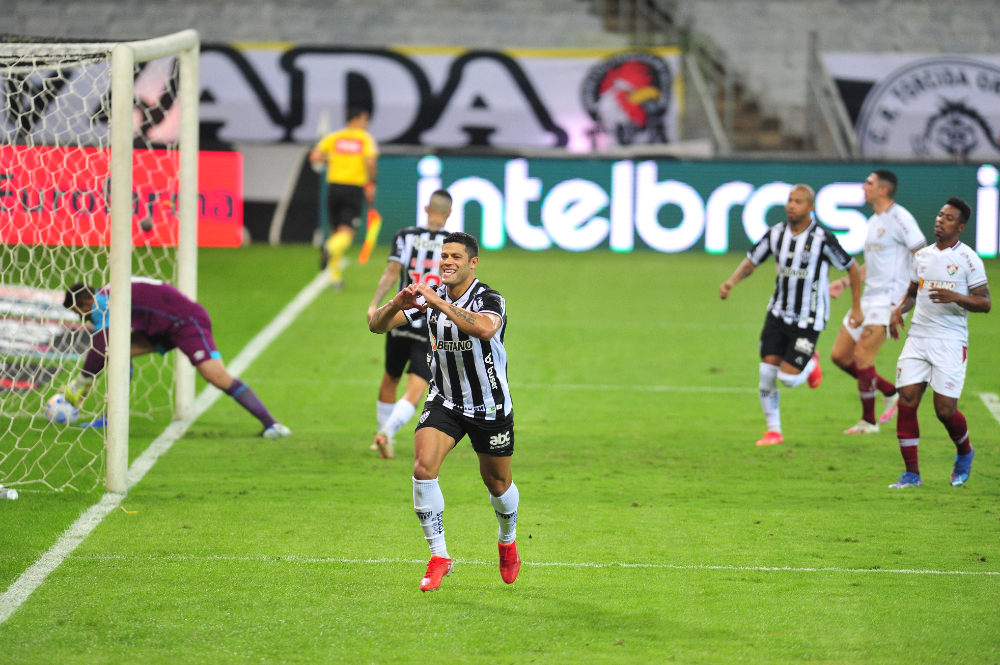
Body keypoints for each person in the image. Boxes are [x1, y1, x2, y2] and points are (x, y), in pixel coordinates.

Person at [369, 231, 520, 591]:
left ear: (473, 262)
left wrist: (435, 301)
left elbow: (484, 329)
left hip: (488, 404)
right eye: (444, 256)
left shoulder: (489, 298)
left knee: (497, 484)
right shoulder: (428, 295)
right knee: (423, 469)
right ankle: (439, 556)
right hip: (445, 400)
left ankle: (507, 539)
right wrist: (397, 302)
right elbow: (377, 325)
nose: (448, 261)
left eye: (456, 256)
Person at [719, 184, 863, 447]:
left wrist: (856, 307)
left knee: (787, 378)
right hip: (777, 313)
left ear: (810, 208)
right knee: (766, 372)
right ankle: (774, 431)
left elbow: (851, 267)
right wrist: (731, 282)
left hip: (808, 318)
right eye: (789, 200)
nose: (790, 205)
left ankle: (811, 363)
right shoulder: (775, 234)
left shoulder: (822, 237)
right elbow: (753, 260)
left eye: (798, 201)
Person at [62, 278, 291, 438]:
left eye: (77, 312)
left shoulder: (102, 304)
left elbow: (98, 349)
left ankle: (272, 424)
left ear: (86, 303)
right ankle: (113, 416)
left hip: (186, 322)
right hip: (164, 325)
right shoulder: (110, 292)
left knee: (216, 376)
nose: (83, 319)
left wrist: (77, 388)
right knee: (118, 352)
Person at [887, 197, 990, 488]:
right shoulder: (921, 257)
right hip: (918, 338)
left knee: (944, 411)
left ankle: (965, 451)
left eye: (947, 217)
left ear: (961, 226)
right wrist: (899, 309)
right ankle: (912, 474)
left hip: (950, 341)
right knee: (906, 401)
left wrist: (956, 296)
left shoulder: (969, 259)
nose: (939, 220)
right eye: (939, 214)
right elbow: (911, 294)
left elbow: (985, 303)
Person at [829, 170, 926, 434]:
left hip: (890, 301)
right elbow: (872, 265)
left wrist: (912, 293)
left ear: (882, 190)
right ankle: (889, 391)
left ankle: (868, 422)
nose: (864, 186)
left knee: (861, 356)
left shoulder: (900, 218)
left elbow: (922, 250)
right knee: (839, 355)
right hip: (869, 297)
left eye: (868, 183)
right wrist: (845, 282)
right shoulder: (874, 221)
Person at [366, 189, 453, 459]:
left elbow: (392, 272)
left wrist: (375, 304)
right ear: (448, 213)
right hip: (429, 321)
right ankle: (387, 433)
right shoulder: (452, 244)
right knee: (416, 388)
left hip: (400, 316)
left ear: (427, 209)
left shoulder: (405, 236)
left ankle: (381, 433)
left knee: (390, 377)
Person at [309, 107, 378, 289]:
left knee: (335, 231)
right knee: (346, 233)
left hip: (334, 188)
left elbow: (314, 157)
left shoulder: (334, 137)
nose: (366, 123)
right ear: (358, 119)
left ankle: (335, 278)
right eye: (365, 119)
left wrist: (331, 161)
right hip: (353, 188)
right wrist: (372, 182)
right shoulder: (364, 138)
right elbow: (370, 161)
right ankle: (329, 249)